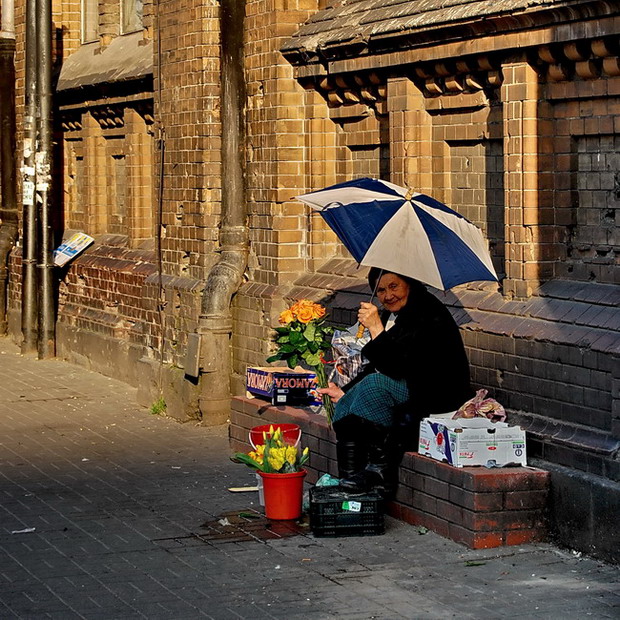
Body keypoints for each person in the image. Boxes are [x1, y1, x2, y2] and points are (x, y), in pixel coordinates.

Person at [318, 267, 474, 498]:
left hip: (435, 393)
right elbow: (377, 365)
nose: (388, 295)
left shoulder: (427, 312)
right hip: (408, 386)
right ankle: (350, 480)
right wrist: (344, 391)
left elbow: (397, 367)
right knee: (346, 404)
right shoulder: (392, 314)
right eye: (380, 290)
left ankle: (381, 471)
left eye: (394, 286)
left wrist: (375, 329)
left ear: (408, 284)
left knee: (374, 387)